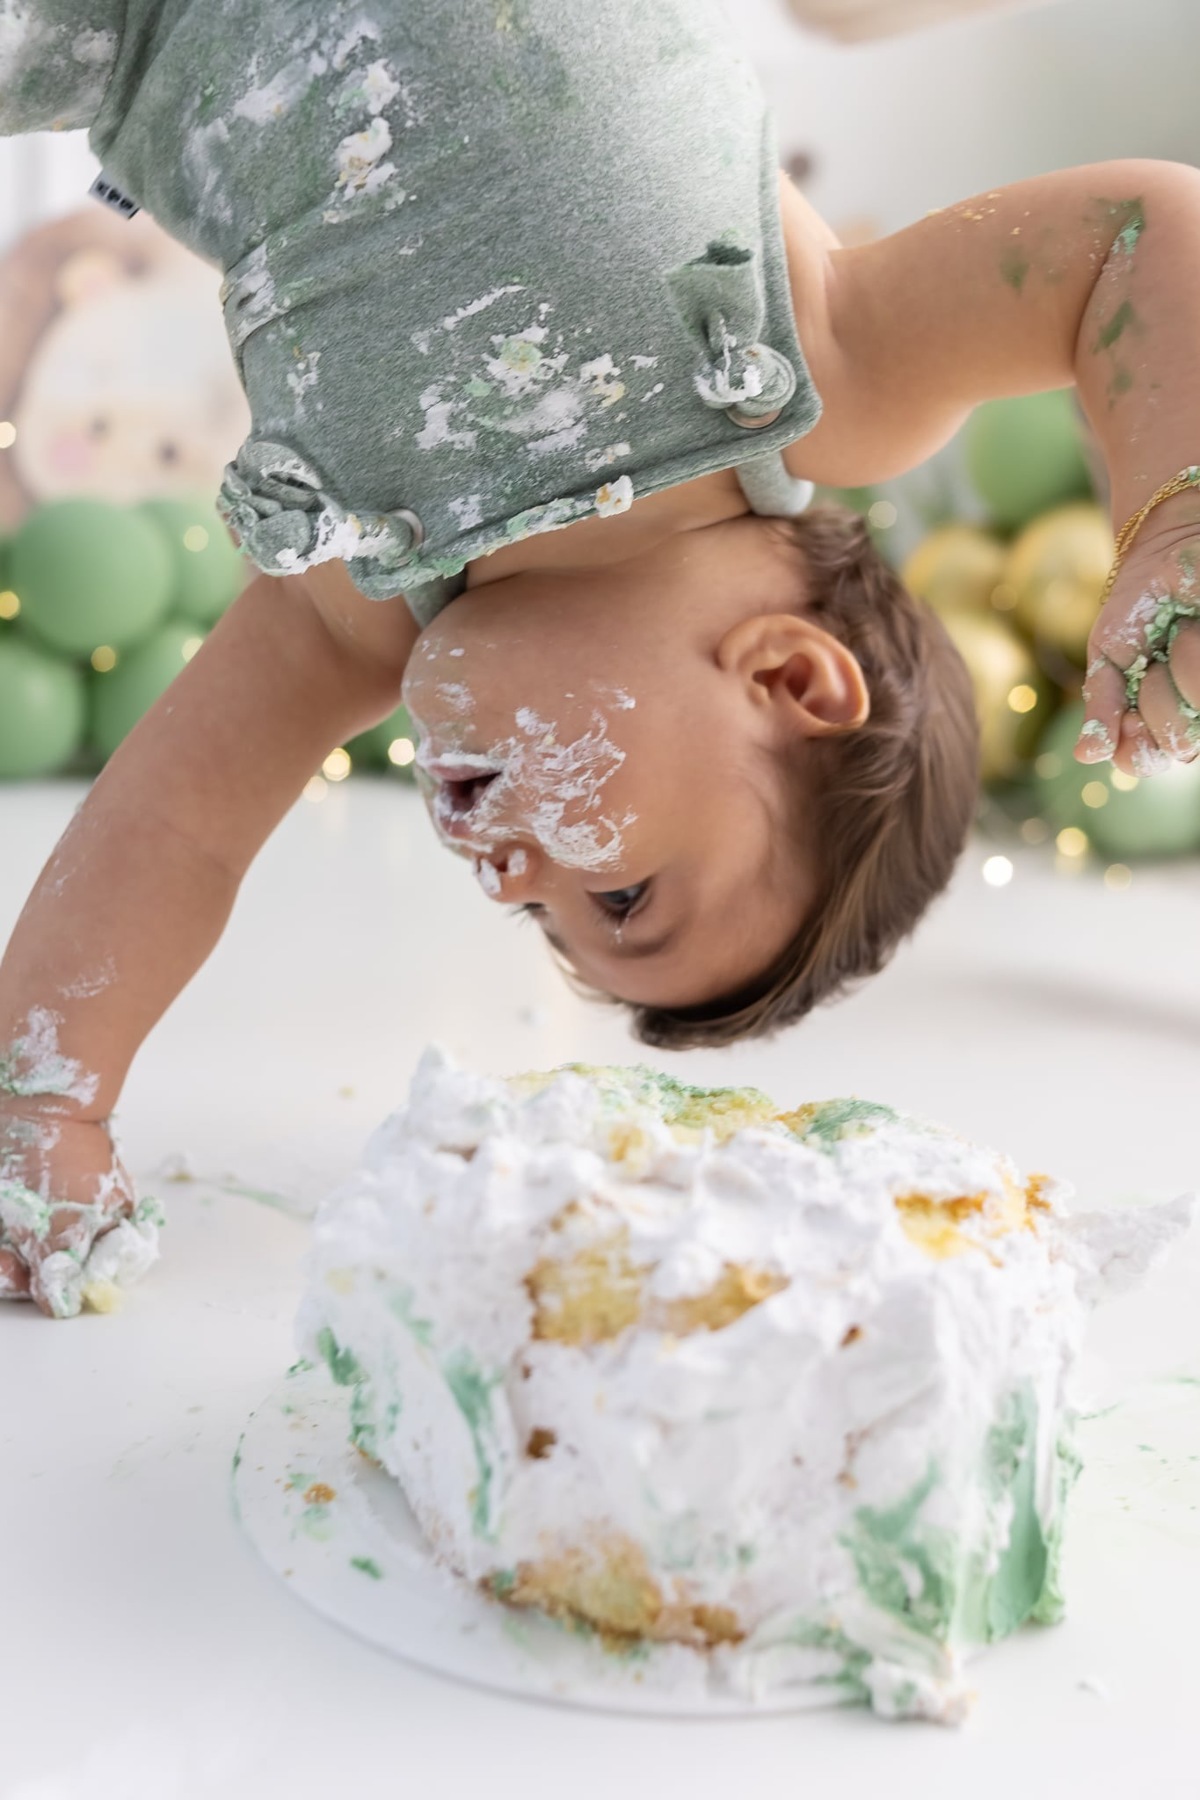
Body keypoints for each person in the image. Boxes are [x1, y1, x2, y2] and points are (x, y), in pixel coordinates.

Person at [2, 0, 1199, 1316]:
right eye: (621, 894)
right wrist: (1177, 514)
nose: (506, 878)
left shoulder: (357, 606)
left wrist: (44, 1100)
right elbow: (1133, 240)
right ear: (790, 682)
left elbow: (174, 830)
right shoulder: (825, 372)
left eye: (541, 917)